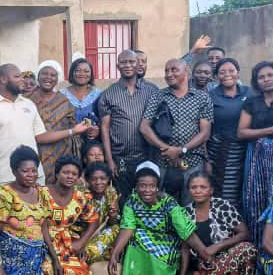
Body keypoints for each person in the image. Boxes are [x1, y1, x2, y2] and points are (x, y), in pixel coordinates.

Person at [0, 64, 92, 189]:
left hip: (34, 177)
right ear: (3, 79)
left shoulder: (28, 104)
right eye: (17, 76)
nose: (22, 80)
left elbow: (41, 136)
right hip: (4, 177)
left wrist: (73, 131)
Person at [107, 161, 214, 275]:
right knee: (134, 235)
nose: (147, 190)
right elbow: (128, 228)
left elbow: (186, 232)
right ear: (136, 187)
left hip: (167, 241)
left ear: (157, 187)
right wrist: (115, 254)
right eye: (142, 186)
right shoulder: (131, 202)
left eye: (152, 186)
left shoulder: (169, 203)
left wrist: (205, 255)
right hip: (144, 239)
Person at [0, 146, 55, 275]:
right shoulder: (4, 195)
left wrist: (54, 258)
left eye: (34, 170)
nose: (31, 175)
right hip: (11, 262)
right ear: (14, 171)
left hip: (34, 261)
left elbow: (44, 227)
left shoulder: (42, 194)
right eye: (25, 171)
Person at [171, 172, 256, 275]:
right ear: (189, 190)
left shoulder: (222, 206)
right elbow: (185, 249)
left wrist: (218, 246)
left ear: (211, 190)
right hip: (208, 268)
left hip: (229, 257)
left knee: (247, 248)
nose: (198, 191)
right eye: (193, 187)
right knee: (224, 262)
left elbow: (244, 233)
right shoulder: (185, 213)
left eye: (203, 187)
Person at [140, 58, 213, 203]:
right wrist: (167, 149)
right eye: (166, 70)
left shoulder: (202, 98)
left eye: (174, 69)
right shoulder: (158, 96)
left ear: (187, 72)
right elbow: (144, 127)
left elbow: (205, 133)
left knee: (191, 206)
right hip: (163, 163)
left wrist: (181, 150)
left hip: (192, 162)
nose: (169, 74)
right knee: (163, 205)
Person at [239, 61, 273, 243]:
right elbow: (242, 132)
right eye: (261, 77)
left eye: (270, 75)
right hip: (257, 157)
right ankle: (258, 244)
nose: (266, 79)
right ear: (256, 81)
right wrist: (270, 131)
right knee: (256, 200)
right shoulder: (252, 102)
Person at [98, 50, 160, 204]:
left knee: (147, 198)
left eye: (131, 62)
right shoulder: (108, 94)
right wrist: (110, 159)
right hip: (121, 158)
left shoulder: (152, 90)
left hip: (147, 155)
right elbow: (104, 128)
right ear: (118, 65)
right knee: (123, 200)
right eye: (123, 62)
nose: (128, 65)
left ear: (138, 64)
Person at [43, 155, 97, 275]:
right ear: (57, 173)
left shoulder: (81, 197)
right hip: (43, 243)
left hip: (66, 245)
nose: (70, 176)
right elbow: (40, 225)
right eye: (66, 172)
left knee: (77, 272)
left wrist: (81, 242)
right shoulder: (42, 194)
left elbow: (94, 220)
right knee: (47, 269)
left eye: (74, 174)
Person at [29, 60, 92, 185]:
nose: (48, 78)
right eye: (44, 74)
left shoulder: (64, 101)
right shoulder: (27, 100)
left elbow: (74, 129)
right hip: (35, 151)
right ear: (38, 76)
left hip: (61, 152)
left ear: (57, 79)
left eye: (53, 75)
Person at [208, 58, 253, 203]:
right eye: (222, 72)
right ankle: (226, 222)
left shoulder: (249, 92)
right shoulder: (210, 96)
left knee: (247, 189)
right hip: (223, 152)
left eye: (231, 71)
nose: (227, 74)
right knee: (227, 192)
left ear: (238, 73)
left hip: (248, 149)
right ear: (216, 77)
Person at [75, 163, 120, 262]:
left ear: (108, 179)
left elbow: (112, 223)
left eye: (103, 178)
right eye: (94, 179)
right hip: (81, 235)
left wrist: (113, 215)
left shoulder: (111, 192)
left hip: (101, 231)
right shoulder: (81, 194)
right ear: (87, 180)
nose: (98, 182)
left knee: (116, 229)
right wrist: (82, 243)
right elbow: (77, 225)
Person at [62, 57, 102, 127]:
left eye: (86, 71)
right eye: (78, 70)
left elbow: (103, 121)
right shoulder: (61, 95)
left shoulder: (99, 95)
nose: (82, 74)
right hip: (67, 137)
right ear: (72, 73)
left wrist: (97, 130)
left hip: (93, 137)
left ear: (91, 74)